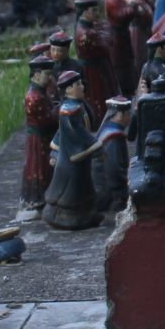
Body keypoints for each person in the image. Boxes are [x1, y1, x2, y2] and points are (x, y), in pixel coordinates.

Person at [41, 70, 101, 230]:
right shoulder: (69, 110)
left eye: (81, 83)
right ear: (68, 89)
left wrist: (55, 145)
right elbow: (76, 132)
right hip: (73, 156)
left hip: (78, 155)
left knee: (84, 183)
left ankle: (85, 213)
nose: (82, 87)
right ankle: (69, 217)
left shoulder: (77, 105)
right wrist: (95, 144)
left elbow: (63, 131)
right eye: (78, 84)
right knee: (73, 186)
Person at [20, 57, 58, 218]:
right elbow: (46, 120)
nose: (50, 78)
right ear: (36, 75)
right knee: (38, 168)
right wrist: (57, 111)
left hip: (43, 139)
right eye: (47, 74)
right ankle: (37, 200)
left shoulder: (40, 93)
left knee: (44, 169)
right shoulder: (34, 98)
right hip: (38, 141)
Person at [91, 97, 132, 218]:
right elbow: (113, 170)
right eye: (127, 115)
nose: (129, 119)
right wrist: (123, 189)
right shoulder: (113, 138)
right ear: (119, 115)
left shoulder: (106, 129)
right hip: (107, 194)